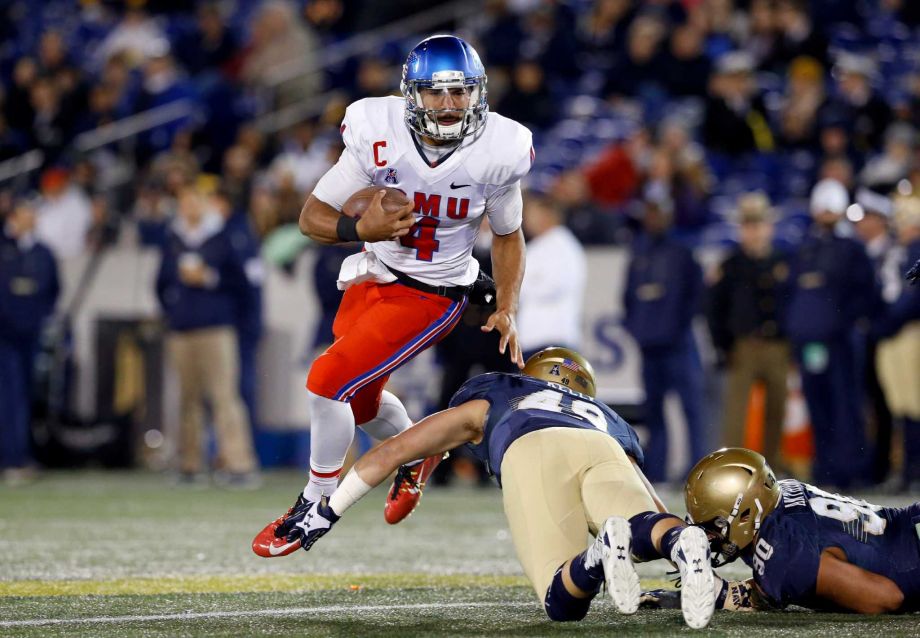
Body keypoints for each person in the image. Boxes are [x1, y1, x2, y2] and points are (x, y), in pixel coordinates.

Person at [254, 347, 719, 629]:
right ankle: (679, 545)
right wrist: (675, 540)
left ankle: (598, 556)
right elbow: (654, 510)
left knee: (561, 601)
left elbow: (392, 451)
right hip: (604, 448)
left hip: (530, 444)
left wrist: (327, 510)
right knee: (645, 528)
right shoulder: (606, 416)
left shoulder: (497, 394)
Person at [275, 35, 530, 525]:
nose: (450, 104)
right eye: (436, 92)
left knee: (327, 382)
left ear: (479, 93)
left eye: (461, 92)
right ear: (411, 94)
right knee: (363, 398)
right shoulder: (378, 131)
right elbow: (311, 217)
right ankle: (419, 451)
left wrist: (507, 304)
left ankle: (316, 502)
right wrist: (358, 229)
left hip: (436, 290)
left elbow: (508, 235)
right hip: (377, 274)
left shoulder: (499, 150)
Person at [681, 447, 920, 613]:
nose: (710, 536)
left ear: (745, 514)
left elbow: (886, 597)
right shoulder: (780, 494)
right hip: (907, 523)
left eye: (715, 525)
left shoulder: (784, 553)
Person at [155, 186, 260, 486]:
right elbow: (160, 283)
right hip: (181, 330)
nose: (189, 207)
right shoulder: (173, 238)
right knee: (187, 399)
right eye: (184, 202)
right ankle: (190, 463)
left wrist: (210, 279)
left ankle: (239, 463)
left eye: (194, 201)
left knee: (224, 397)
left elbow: (241, 284)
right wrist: (174, 309)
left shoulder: (222, 237)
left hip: (216, 329)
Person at [784, 179, 878, 488]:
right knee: (819, 407)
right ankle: (825, 469)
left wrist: (841, 323)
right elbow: (792, 294)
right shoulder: (804, 249)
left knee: (846, 406)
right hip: (810, 342)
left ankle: (850, 471)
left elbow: (866, 295)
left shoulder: (852, 249)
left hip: (840, 343)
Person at [622, 188, 706, 482]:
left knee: (691, 410)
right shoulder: (639, 255)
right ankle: (656, 471)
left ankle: (698, 472)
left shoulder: (683, 254)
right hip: (650, 348)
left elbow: (696, 296)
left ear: (669, 214)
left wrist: (675, 327)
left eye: (660, 211)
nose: (654, 216)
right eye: (650, 210)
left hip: (679, 345)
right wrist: (638, 331)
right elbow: (628, 300)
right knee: (654, 413)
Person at [707, 192, 790, 471]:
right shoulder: (730, 264)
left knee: (776, 410)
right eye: (748, 225)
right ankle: (731, 467)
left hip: (778, 345)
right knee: (736, 414)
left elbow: (793, 306)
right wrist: (722, 346)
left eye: (758, 224)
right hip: (742, 345)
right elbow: (714, 309)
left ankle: (772, 468)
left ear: (770, 226)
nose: (754, 231)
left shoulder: (784, 261)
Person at [0, 200, 59, 485]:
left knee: (23, 396)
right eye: (26, 212)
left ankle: (18, 455)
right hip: (3, 335)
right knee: (9, 397)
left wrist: (39, 318)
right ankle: (11, 457)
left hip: (30, 335)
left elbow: (53, 291)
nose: (31, 217)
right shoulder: (4, 246)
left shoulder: (43, 252)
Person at [875, 194, 920, 490]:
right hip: (893, 334)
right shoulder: (894, 250)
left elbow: (914, 297)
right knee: (899, 407)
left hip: (910, 332)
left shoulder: (914, 249)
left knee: (913, 406)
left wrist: (887, 322)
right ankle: (905, 469)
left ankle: (912, 470)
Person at [518, 192, 586, 360]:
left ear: (547, 214)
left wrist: (520, 286)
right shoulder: (536, 246)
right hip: (531, 340)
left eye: (531, 213)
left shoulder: (563, 246)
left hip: (553, 338)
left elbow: (553, 285)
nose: (526, 220)